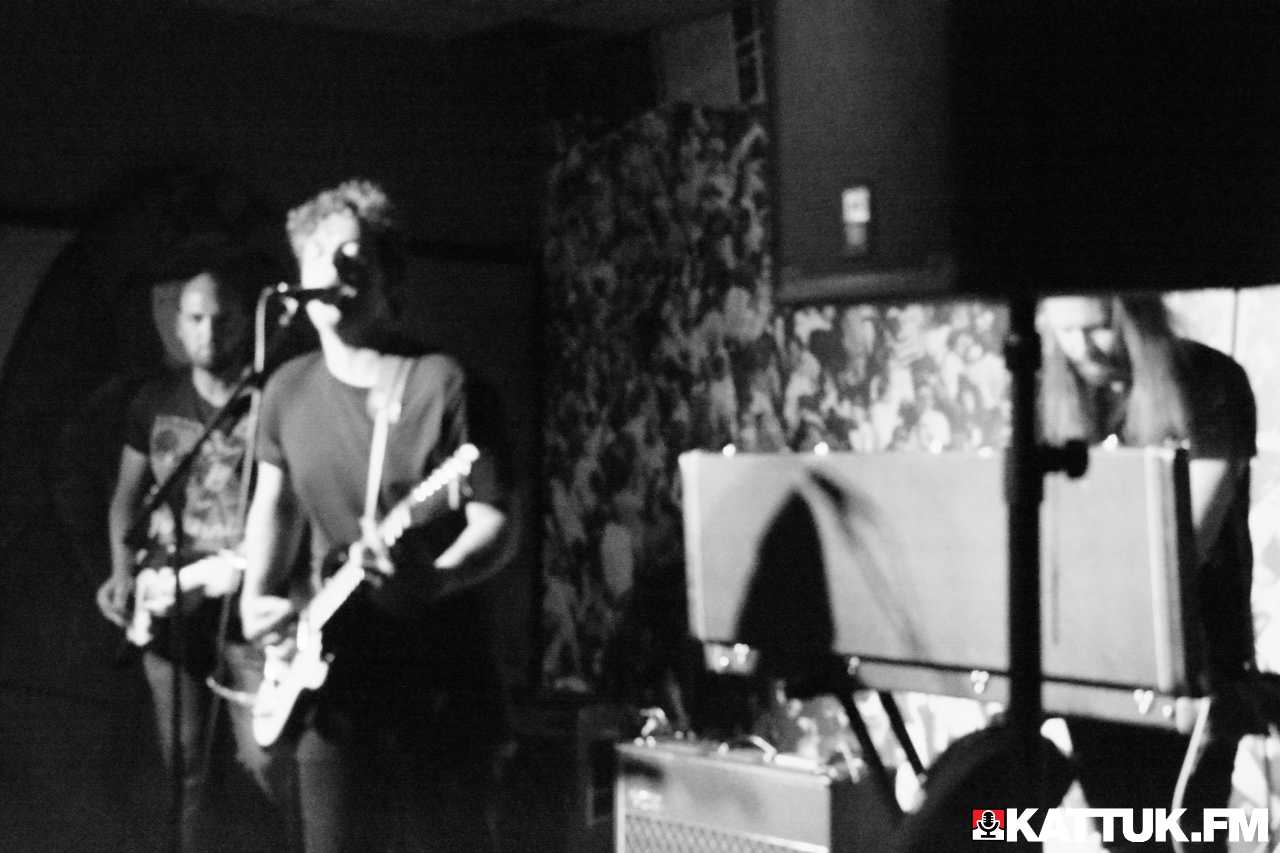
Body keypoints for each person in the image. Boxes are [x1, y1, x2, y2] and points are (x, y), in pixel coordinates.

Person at [238, 179, 513, 853]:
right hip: (335, 687)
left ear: (390, 280)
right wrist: (257, 598)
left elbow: (495, 518)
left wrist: (439, 577)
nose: (334, 269)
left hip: (440, 682)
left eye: (354, 257)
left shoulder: (443, 383)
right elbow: (274, 507)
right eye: (319, 255)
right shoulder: (286, 390)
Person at [1039, 294, 1256, 852]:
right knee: (1124, 835)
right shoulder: (1053, 394)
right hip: (1096, 663)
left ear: (1136, 315)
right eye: (1065, 332)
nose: (1081, 349)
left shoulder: (1210, 382)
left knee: (1187, 836)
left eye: (1096, 329)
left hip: (1196, 661)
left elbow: (1186, 545)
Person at [95, 248, 286, 852]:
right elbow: (126, 498)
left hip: (246, 611)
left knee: (265, 762)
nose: (209, 332)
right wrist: (121, 574)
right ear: (177, 325)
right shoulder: (154, 400)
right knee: (184, 763)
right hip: (170, 608)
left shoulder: (271, 403)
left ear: (244, 322)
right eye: (196, 318)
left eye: (222, 319)